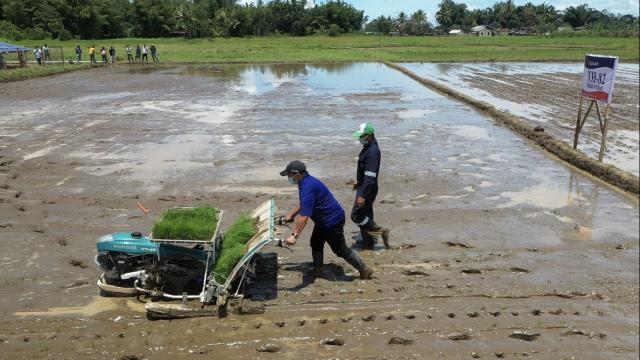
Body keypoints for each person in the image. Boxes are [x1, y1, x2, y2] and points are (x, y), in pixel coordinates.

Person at [281, 160, 373, 280]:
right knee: (316, 242)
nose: (288, 177)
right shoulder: (305, 182)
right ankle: (318, 270)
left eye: (289, 175)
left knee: (340, 249)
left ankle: (364, 269)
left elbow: (304, 216)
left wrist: (295, 235)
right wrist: (291, 215)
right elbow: (304, 202)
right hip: (323, 220)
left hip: (332, 221)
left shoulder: (307, 186)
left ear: (297, 174)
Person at [351, 123, 390, 250]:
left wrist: (362, 194)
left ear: (370, 135)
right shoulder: (368, 147)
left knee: (356, 215)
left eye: (362, 136)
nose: (360, 138)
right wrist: (359, 181)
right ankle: (368, 244)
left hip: (367, 189)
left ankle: (380, 231)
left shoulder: (372, 152)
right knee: (366, 215)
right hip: (365, 186)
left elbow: (370, 177)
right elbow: (366, 173)